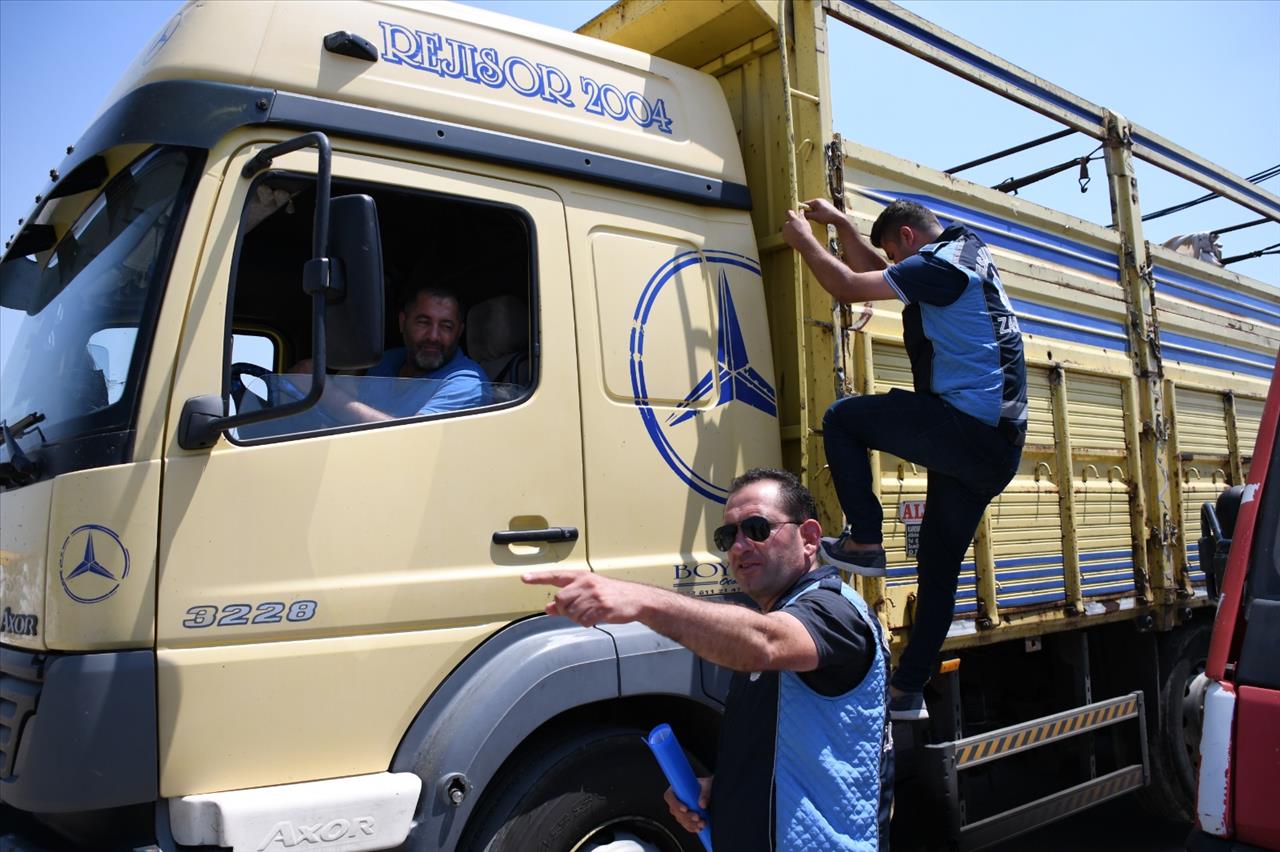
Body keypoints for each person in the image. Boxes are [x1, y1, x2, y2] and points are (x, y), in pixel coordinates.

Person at [523, 468, 893, 852]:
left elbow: (764, 643)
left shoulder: (834, 612)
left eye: (757, 528)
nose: (739, 546)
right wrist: (725, 787)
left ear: (810, 538)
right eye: (727, 535)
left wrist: (641, 600)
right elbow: (793, 750)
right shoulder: (774, 615)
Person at [781, 198, 1026, 722]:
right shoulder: (964, 255)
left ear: (910, 238)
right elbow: (882, 270)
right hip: (995, 446)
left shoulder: (941, 266)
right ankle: (908, 692)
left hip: (966, 427)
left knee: (844, 420)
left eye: (894, 248)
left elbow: (849, 285)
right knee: (938, 571)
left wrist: (803, 238)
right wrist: (844, 224)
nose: (893, 260)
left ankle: (865, 538)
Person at [289, 283, 487, 422]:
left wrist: (323, 392)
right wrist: (307, 377)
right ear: (402, 323)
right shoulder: (388, 360)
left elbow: (411, 440)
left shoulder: (467, 382)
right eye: (423, 322)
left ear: (459, 332)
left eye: (446, 326)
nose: (433, 336)